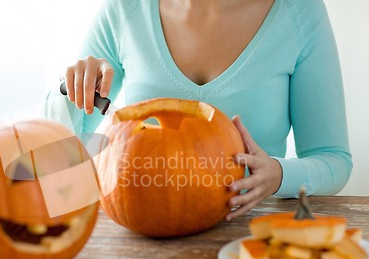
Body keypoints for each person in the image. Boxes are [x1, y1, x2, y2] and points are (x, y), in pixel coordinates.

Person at [43, 0, 352, 220]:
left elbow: (334, 159)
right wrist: (71, 90)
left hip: (248, 233)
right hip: (139, 235)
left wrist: (279, 175)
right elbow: (54, 159)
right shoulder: (125, 9)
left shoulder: (299, 11)